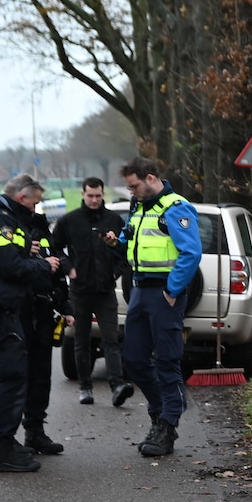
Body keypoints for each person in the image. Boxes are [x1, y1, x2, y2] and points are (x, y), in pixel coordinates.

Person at [103, 158, 201, 457]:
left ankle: (167, 426)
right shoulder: (139, 207)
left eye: (134, 186)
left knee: (167, 361)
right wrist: (115, 243)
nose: (131, 192)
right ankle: (162, 411)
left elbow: (191, 252)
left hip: (163, 294)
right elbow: (130, 241)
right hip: (139, 292)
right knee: (133, 360)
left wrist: (172, 290)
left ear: (150, 177)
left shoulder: (175, 207)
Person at [0, 174, 59, 472]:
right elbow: (9, 266)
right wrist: (43, 264)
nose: (35, 210)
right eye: (34, 203)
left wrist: (25, 251)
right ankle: (0, 447)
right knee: (13, 375)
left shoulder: (3, 218)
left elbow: (5, 256)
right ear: (21, 198)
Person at [52, 177, 131, 406]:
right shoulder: (69, 221)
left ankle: (117, 386)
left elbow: (125, 250)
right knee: (82, 340)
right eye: (90, 196)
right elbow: (55, 245)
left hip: (105, 289)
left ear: (103, 194)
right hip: (80, 290)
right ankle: (85, 387)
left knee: (110, 339)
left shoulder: (114, 220)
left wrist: (117, 271)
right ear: (83, 194)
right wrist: (68, 268)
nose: (94, 200)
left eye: (98, 196)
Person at [21, 212, 74, 455]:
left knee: (41, 377)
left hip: (42, 314)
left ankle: (35, 433)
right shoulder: (5, 227)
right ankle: (1, 439)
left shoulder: (43, 234)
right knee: (11, 378)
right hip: (16, 315)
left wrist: (66, 308)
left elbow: (58, 276)